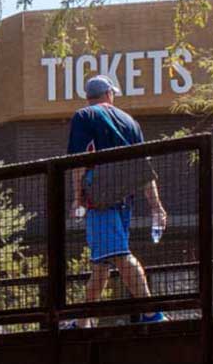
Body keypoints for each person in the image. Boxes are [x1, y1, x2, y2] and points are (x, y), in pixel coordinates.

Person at [69, 73, 168, 309]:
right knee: (101, 264)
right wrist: (157, 207)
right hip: (125, 198)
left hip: (100, 197)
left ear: (88, 97)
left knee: (120, 255)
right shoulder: (130, 121)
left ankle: (151, 312)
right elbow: (144, 170)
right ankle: (84, 321)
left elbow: (78, 161)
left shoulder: (84, 116)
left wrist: (77, 199)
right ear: (109, 94)